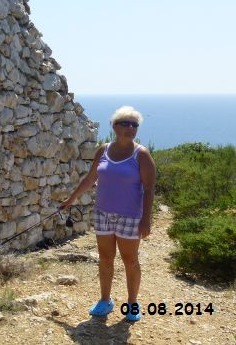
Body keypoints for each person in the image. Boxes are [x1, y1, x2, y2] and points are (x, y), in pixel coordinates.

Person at [59, 106, 156, 322]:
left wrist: (146, 220)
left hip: (130, 216)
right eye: (126, 123)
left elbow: (149, 188)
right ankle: (105, 300)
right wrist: (71, 199)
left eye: (135, 124)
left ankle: (132, 304)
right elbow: (90, 178)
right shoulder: (103, 150)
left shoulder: (141, 155)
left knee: (130, 261)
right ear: (114, 126)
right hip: (103, 213)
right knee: (105, 258)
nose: (131, 127)